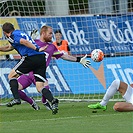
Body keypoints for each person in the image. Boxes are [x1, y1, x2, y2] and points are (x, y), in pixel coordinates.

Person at [7, 25, 91, 113]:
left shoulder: (52, 47)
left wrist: (79, 59)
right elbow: (20, 46)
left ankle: (46, 102)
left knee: (44, 88)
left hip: (39, 72)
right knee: (15, 88)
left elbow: (64, 56)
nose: (52, 36)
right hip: (28, 73)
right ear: (43, 33)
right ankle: (31, 102)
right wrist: (30, 39)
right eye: (50, 33)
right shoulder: (33, 42)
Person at [1, 22, 59, 114]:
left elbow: (24, 42)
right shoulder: (18, 33)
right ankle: (53, 101)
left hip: (30, 57)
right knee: (40, 87)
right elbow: (9, 47)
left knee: (11, 76)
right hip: (41, 59)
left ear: (4, 32)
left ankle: (16, 99)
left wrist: (37, 49)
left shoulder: (13, 36)